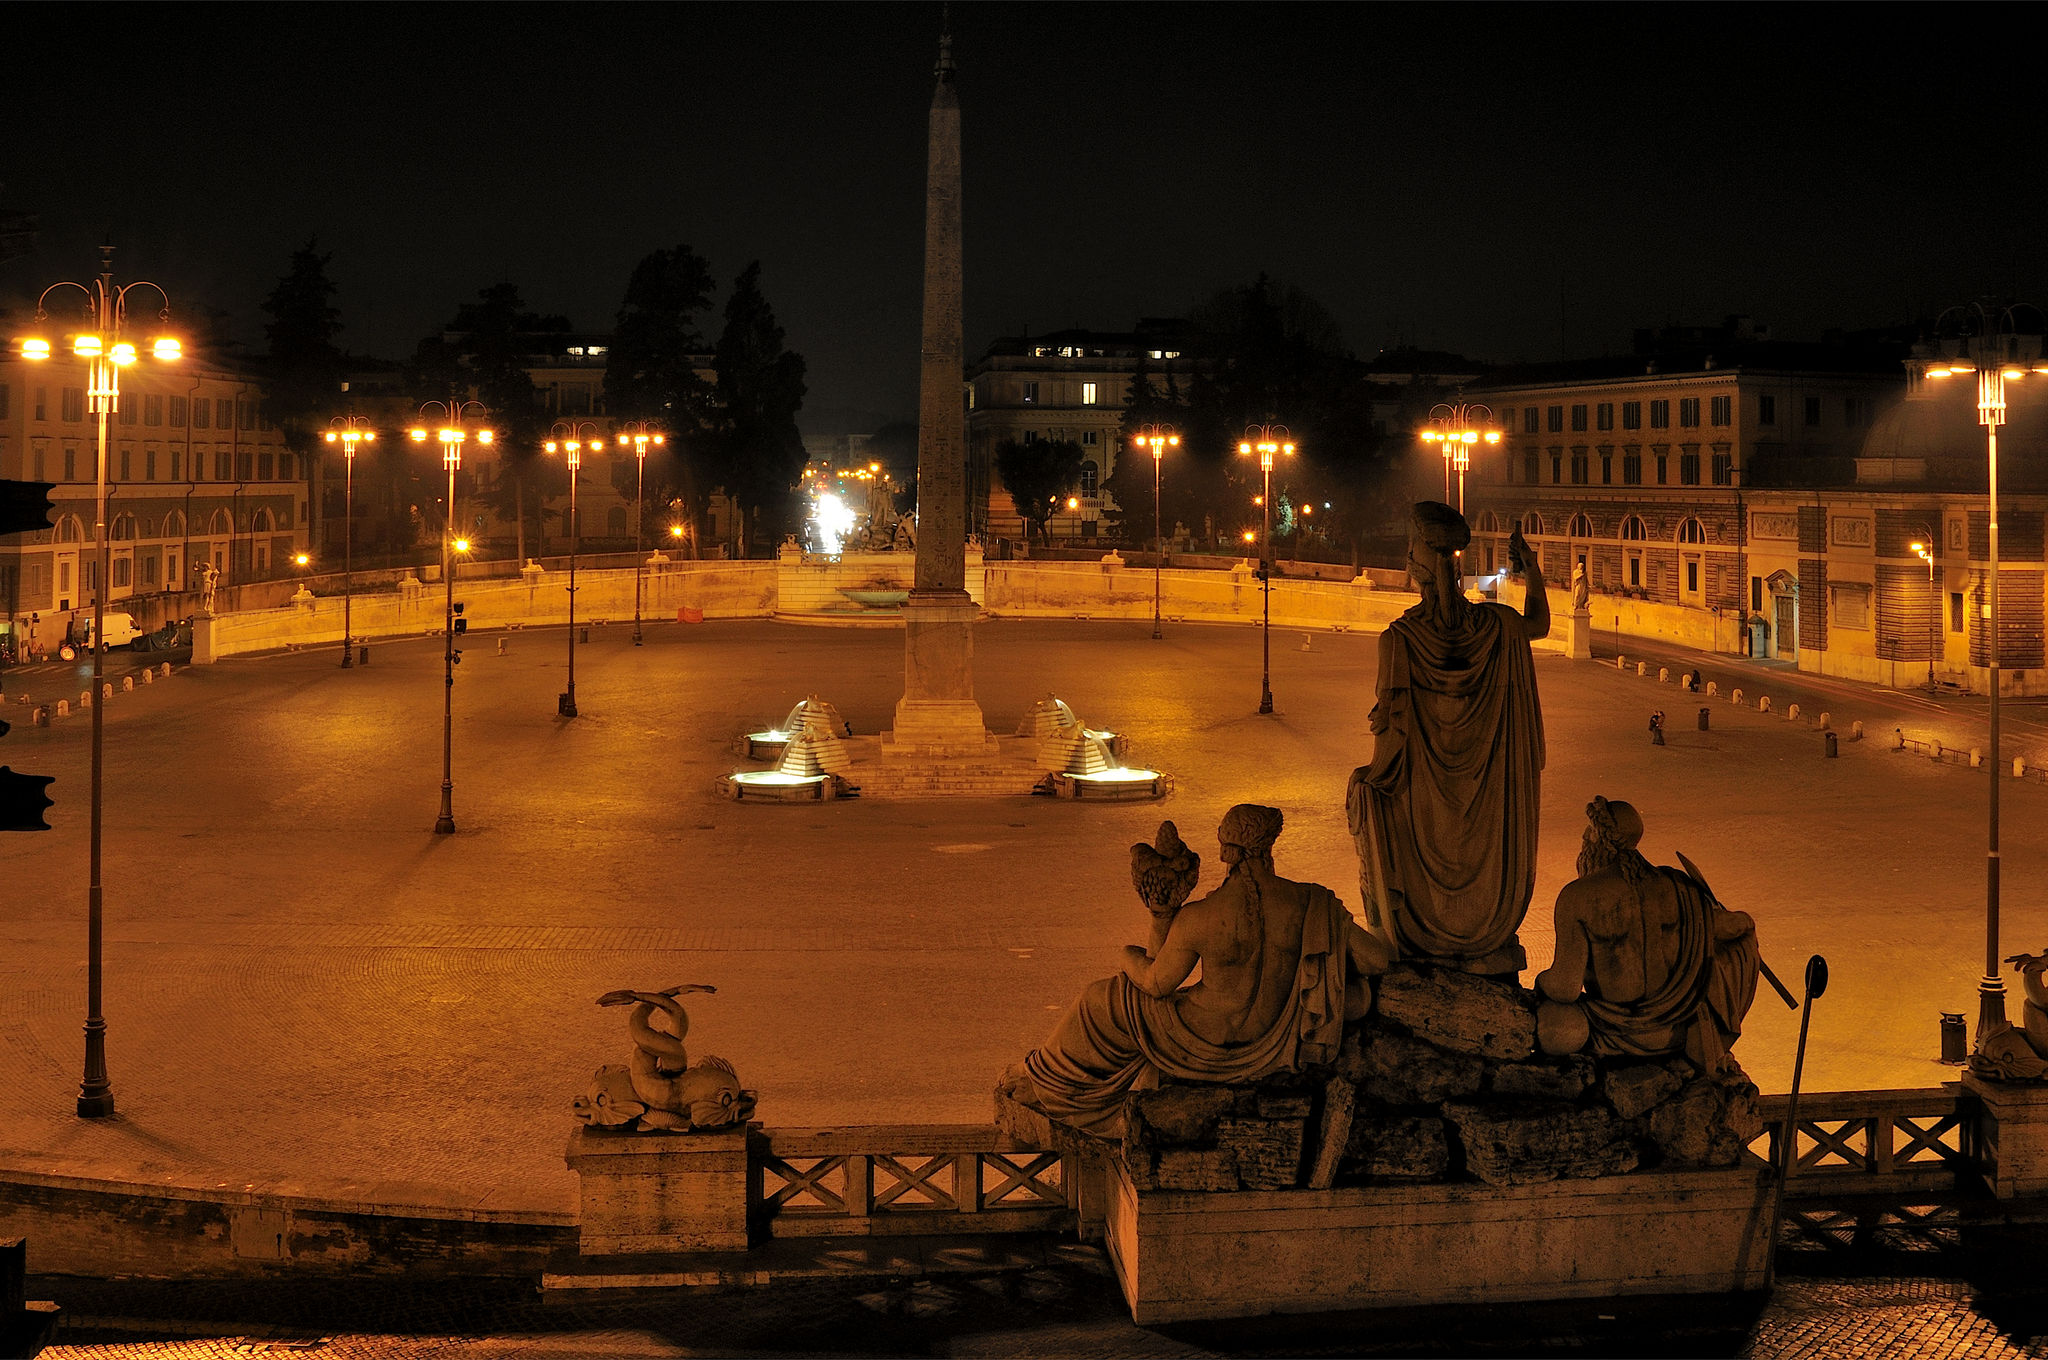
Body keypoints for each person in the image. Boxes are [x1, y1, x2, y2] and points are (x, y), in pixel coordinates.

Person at [1003, 805, 1386, 1138]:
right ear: (1269, 845)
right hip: (1274, 1036)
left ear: (1224, 851)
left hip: (1202, 1036)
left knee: (1100, 999)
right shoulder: (1312, 903)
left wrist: (1130, 949)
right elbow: (1375, 960)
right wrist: (1328, 974)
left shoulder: (1202, 915)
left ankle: (1045, 1083)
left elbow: (1157, 983)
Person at [1348, 502, 1549, 974]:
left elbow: (1390, 750)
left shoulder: (1398, 641)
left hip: (1422, 812)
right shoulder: (1497, 627)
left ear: (1419, 561)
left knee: (1361, 787)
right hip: (1488, 819)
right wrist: (1532, 570)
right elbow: (1537, 624)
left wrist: (1364, 785)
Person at [1534, 797, 1761, 1074]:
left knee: (1555, 1026)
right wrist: (1745, 925)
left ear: (1599, 837)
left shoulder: (1577, 897)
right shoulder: (1679, 887)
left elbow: (1565, 989)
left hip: (1612, 1033)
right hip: (1676, 1031)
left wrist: (1539, 985)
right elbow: (1737, 927)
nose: (1583, 836)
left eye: (1589, 830)